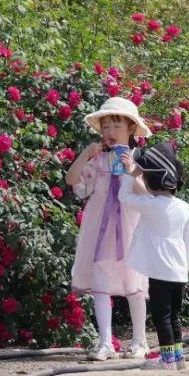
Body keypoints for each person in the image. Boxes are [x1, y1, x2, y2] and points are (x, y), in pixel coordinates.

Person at [65, 97, 151, 361]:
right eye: (106, 127)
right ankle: (106, 342)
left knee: (135, 283)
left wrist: (132, 170)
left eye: (116, 126)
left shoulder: (140, 158)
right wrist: (85, 154)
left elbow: (149, 194)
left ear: (131, 129)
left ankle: (140, 341)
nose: (110, 132)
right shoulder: (99, 160)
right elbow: (72, 181)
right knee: (100, 284)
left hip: (130, 229)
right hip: (100, 230)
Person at [120, 141, 189, 370]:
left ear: (151, 179)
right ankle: (178, 358)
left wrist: (131, 174)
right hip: (179, 271)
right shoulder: (184, 207)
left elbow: (124, 196)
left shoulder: (150, 205)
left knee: (161, 316)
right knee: (174, 317)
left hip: (159, 271)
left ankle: (167, 360)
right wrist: (185, 267)